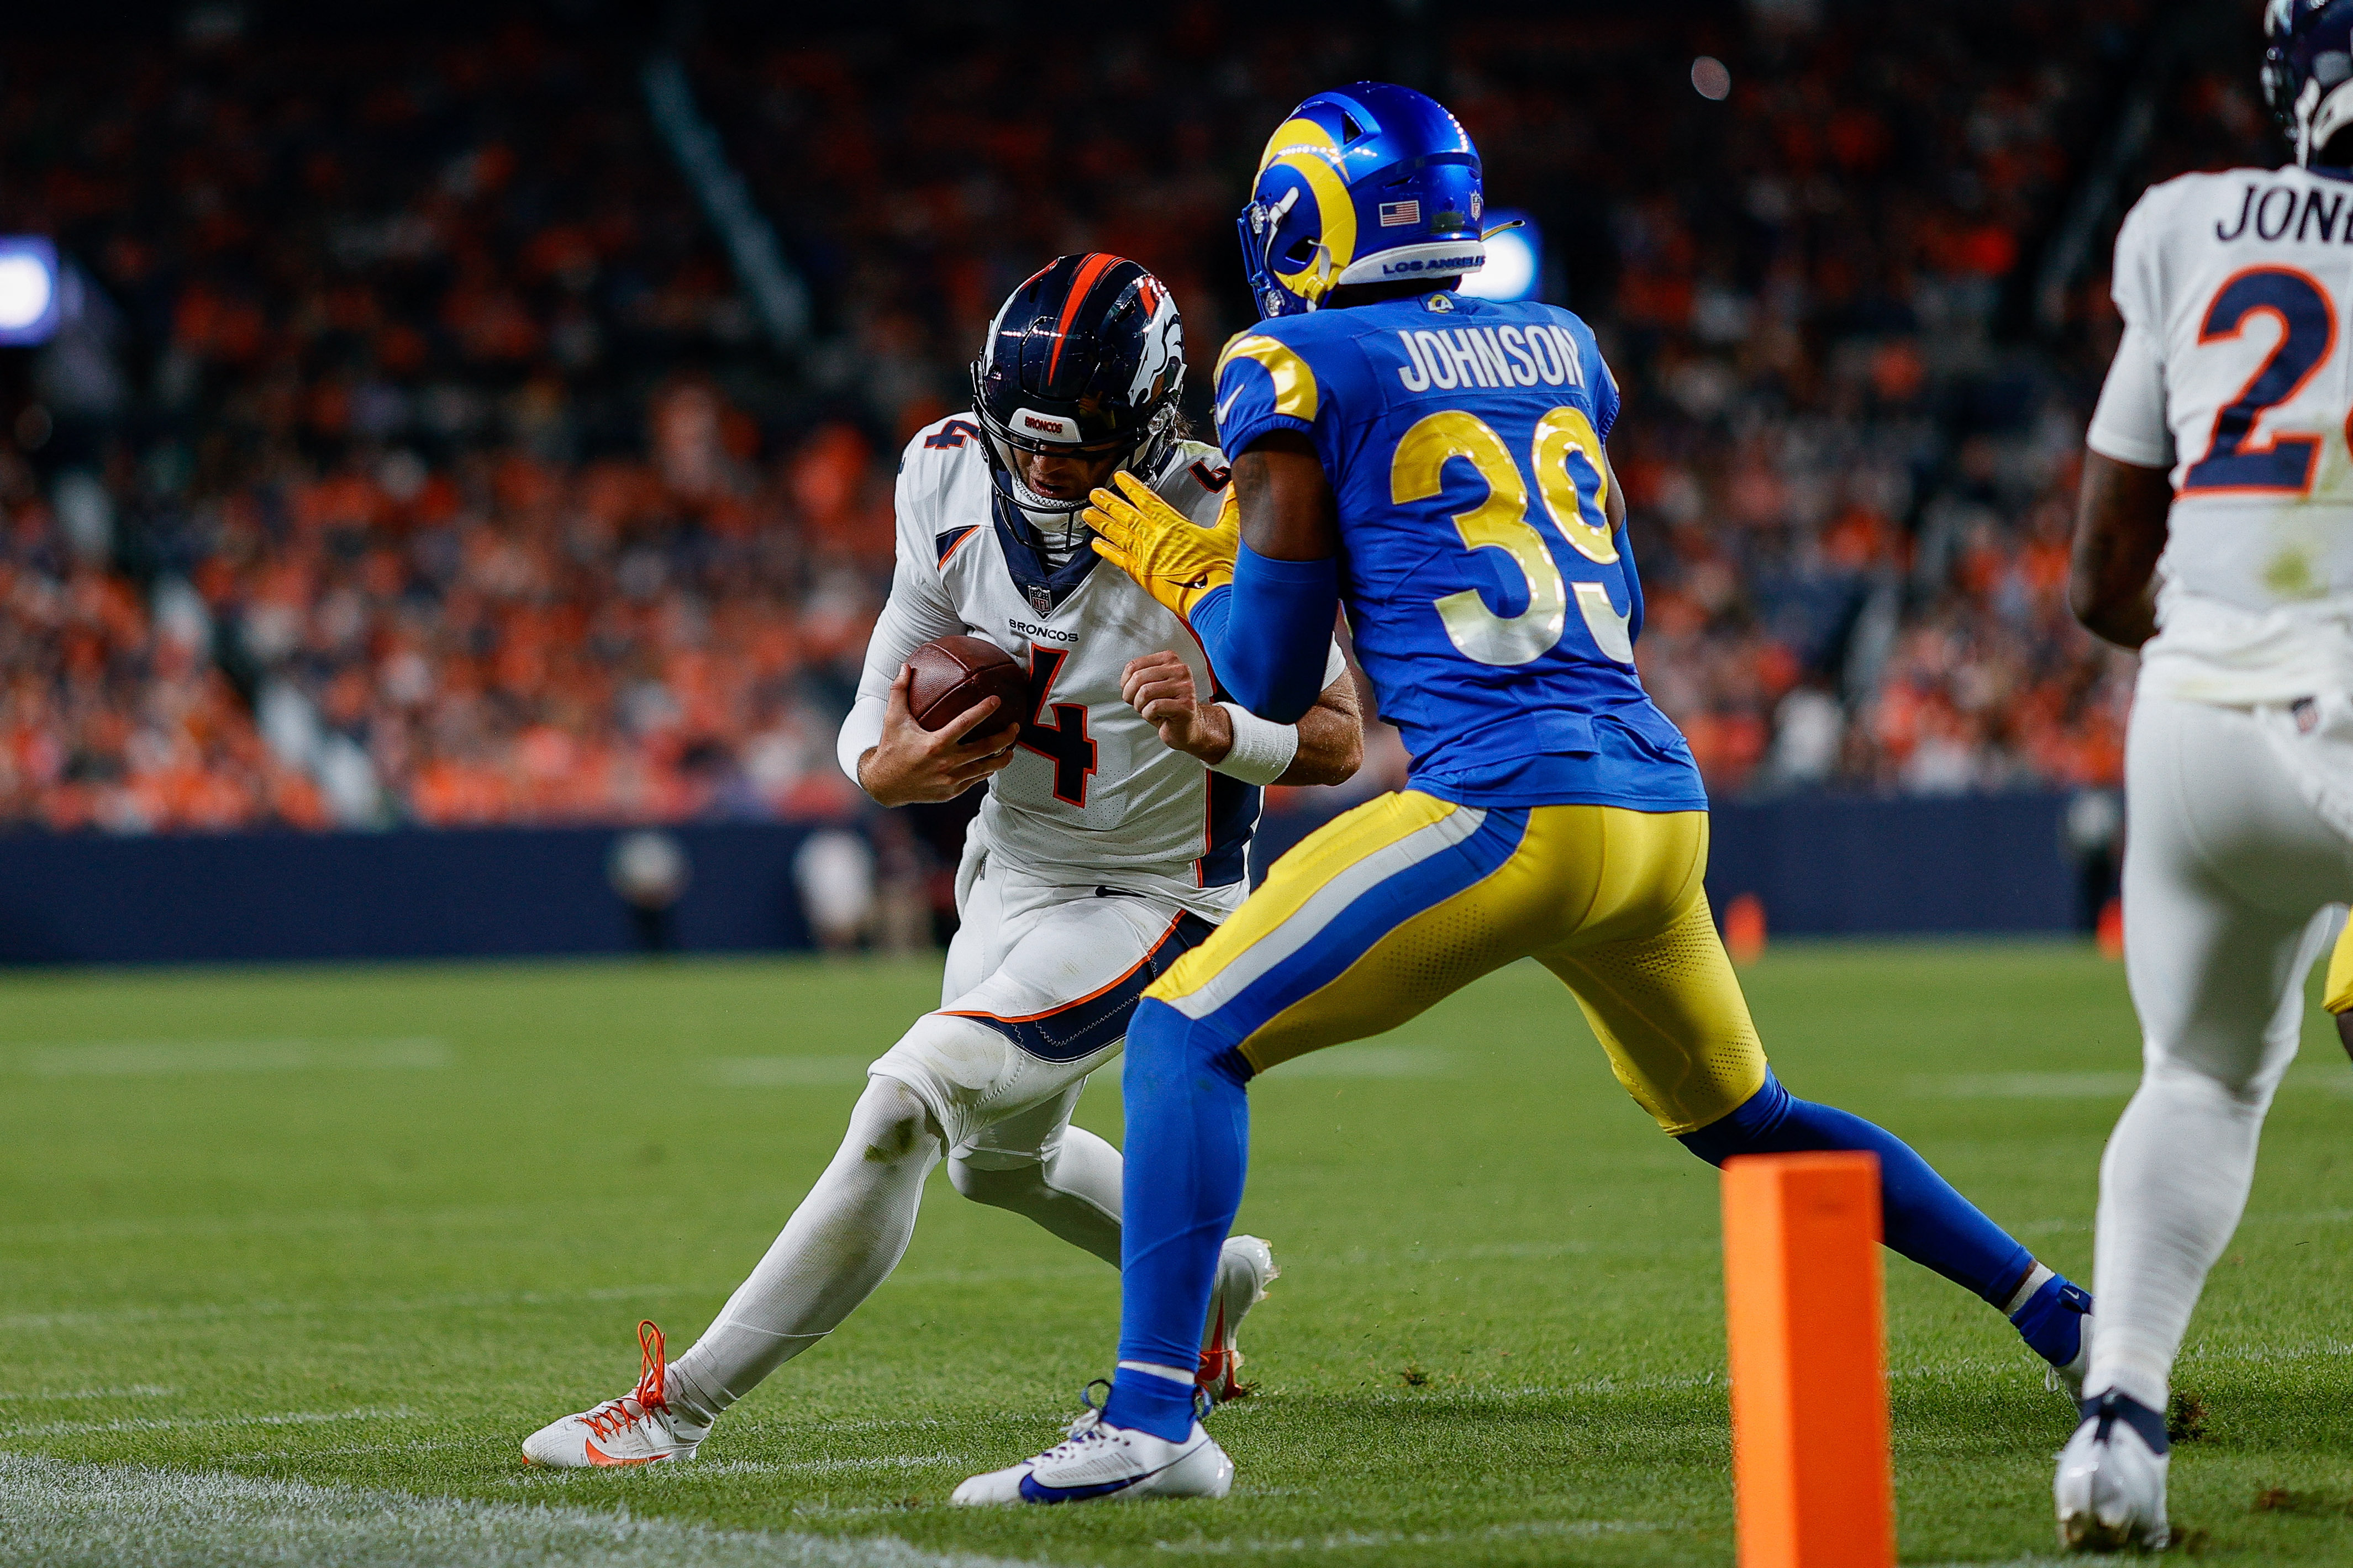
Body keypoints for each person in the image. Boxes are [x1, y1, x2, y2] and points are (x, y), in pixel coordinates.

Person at [955, 83, 2093, 1506]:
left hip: (1504, 806)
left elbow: (1269, 665)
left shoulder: (1291, 364)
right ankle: (2064, 1316)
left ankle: (1148, 1423)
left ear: (1306, 223)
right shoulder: (1564, 346)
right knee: (1757, 1120)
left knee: (1186, 1036)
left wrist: (1191, 568)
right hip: (1654, 802)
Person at [522, 255, 1364, 1466]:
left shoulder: (1227, 509)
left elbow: (1340, 733)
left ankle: (676, 1408)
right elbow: (888, 677)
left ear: (1148, 422)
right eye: (1026, 445)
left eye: (1075, 449)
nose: (1043, 472)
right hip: (1006, 870)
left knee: (907, 1102)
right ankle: (1208, 1282)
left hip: (1155, 894)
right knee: (993, 1164)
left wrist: (1226, 728)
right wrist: (884, 765)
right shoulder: (947, 474)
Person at [2051, 2, 2353, 1546]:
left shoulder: (2182, 223)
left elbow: (2101, 574)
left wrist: (2241, 628)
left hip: (2185, 724)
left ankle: (2115, 1430)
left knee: (2200, 1080)